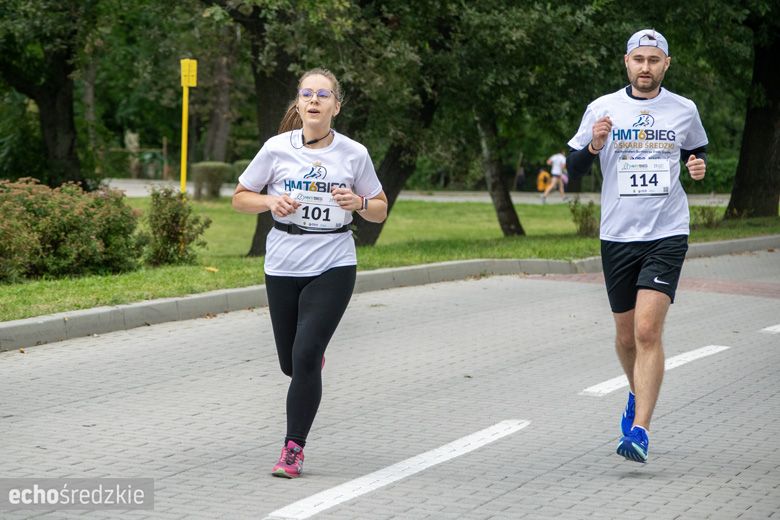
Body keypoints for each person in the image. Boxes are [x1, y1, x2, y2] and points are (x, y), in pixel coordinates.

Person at [232, 68, 388, 478]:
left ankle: (293, 449)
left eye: (323, 94)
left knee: (303, 356)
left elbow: (380, 208)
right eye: (307, 93)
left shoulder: (354, 153)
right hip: (282, 261)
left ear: (336, 105)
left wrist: (356, 202)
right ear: (298, 104)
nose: (314, 100)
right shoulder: (276, 148)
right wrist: (270, 203)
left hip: (334, 261)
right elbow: (239, 198)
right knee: (292, 363)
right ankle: (307, 364)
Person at [566, 29, 708, 463]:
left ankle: (641, 431)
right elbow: (572, 168)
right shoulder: (602, 108)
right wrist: (594, 144)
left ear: (667, 64)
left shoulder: (684, 109)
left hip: (666, 232)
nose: (645, 67)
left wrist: (699, 167)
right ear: (626, 63)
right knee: (626, 337)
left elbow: (698, 152)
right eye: (638, 59)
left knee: (648, 331)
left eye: (654, 59)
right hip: (617, 235)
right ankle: (635, 390)